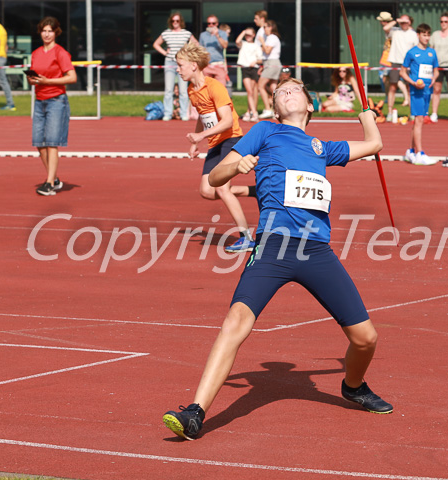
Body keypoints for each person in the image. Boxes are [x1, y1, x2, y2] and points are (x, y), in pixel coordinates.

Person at [162, 77, 392, 441]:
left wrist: (366, 113)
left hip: (316, 250)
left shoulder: (322, 147)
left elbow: (375, 143)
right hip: (273, 246)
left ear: (310, 104)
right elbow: (216, 179)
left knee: (366, 339)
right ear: (275, 106)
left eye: (295, 88)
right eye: (280, 91)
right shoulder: (265, 131)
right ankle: (195, 411)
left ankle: (353, 386)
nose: (286, 91)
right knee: (235, 321)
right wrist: (234, 167)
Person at [176, 42, 255, 252]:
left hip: (232, 140)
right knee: (207, 191)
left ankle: (246, 237)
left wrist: (201, 135)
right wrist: (197, 141)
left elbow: (228, 121)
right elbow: (204, 115)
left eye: (180, 65)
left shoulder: (214, 87)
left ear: (193, 65)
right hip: (215, 143)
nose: (178, 69)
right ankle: (255, 191)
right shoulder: (191, 89)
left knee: (221, 187)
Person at [26, 16, 77, 196]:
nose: (47, 34)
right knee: (39, 143)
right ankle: (54, 178)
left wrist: (48, 81)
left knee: (52, 143)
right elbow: (34, 79)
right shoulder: (36, 53)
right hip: (39, 101)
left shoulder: (60, 53)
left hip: (56, 101)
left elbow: (72, 77)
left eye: (50, 31)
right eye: (44, 31)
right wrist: (32, 79)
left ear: (56, 33)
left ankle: (49, 183)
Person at [400, 23, 439, 165]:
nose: (426, 37)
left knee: (418, 121)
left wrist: (434, 79)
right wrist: (413, 82)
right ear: (418, 35)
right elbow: (402, 72)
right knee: (419, 121)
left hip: (427, 91)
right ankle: (420, 153)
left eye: (428, 35)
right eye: (424, 34)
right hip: (416, 91)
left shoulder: (432, 52)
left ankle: (410, 151)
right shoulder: (412, 52)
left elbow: (436, 70)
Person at [153, 12, 197, 121]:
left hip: (183, 64)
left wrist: (188, 53)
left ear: (180, 21)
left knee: (183, 90)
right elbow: (156, 44)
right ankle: (167, 113)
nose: (175, 23)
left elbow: (196, 44)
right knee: (168, 89)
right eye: (173, 21)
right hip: (170, 62)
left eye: (177, 21)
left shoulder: (186, 33)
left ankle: (183, 113)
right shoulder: (166, 33)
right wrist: (164, 53)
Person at [383, 15, 418, 122]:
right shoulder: (395, 31)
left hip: (408, 64)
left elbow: (416, 48)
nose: (404, 23)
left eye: (406, 21)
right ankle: (389, 112)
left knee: (410, 88)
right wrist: (396, 21)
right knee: (392, 87)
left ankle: (413, 113)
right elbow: (385, 28)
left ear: (410, 22)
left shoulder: (413, 34)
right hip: (395, 62)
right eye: (402, 22)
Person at [235, 27, 262, 122]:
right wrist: (243, 32)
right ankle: (254, 113)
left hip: (254, 69)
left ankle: (248, 112)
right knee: (249, 91)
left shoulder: (256, 46)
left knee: (253, 92)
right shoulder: (243, 44)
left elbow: (260, 59)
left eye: (250, 35)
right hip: (245, 69)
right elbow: (237, 41)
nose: (248, 37)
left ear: (253, 35)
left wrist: (255, 61)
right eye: (247, 35)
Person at [257, 20, 281, 119]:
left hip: (272, 63)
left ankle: (268, 109)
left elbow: (267, 50)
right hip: (270, 63)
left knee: (260, 85)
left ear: (271, 27)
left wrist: (262, 41)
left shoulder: (271, 37)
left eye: (265, 27)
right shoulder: (271, 38)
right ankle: (278, 110)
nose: (264, 29)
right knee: (273, 87)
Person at [199, 15, 229, 86]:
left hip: (219, 65)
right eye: (209, 23)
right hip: (207, 66)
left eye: (213, 23)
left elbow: (225, 46)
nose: (211, 25)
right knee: (207, 89)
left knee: (220, 90)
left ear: (217, 24)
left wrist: (217, 35)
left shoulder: (223, 33)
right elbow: (200, 50)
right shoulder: (203, 35)